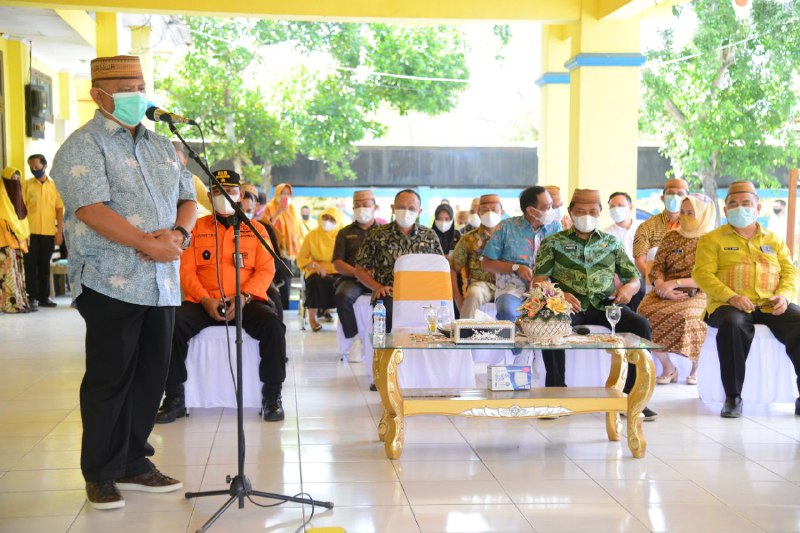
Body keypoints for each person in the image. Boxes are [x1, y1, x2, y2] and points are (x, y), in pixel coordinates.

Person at [50, 55, 196, 510]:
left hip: (163, 283)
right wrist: (146, 243)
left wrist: (178, 234)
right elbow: (90, 209)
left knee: (151, 377)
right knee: (110, 379)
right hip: (110, 281)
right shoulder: (83, 145)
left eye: (142, 84)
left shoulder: (160, 145)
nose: (139, 93)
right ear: (99, 94)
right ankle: (101, 472)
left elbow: (188, 197)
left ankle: (135, 462)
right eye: (127, 86)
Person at [156, 169, 286, 423]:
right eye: (217, 191)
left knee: (273, 326)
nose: (224, 196)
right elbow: (186, 269)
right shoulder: (194, 229)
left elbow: (265, 270)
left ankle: (272, 397)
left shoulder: (256, 229)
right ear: (208, 195)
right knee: (171, 325)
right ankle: (174, 398)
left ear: (239, 195)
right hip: (204, 301)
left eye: (231, 191)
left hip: (246, 301)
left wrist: (245, 296)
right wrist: (205, 299)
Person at [532, 189, 651, 403]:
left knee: (640, 325)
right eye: (580, 211)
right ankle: (556, 393)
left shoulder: (611, 243)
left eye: (592, 211)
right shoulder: (552, 242)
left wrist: (628, 289)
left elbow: (634, 278)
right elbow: (539, 282)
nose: (586, 216)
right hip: (566, 306)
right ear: (570, 211)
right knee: (549, 322)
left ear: (599, 213)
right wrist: (561, 294)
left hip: (605, 305)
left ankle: (632, 395)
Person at [694, 181, 800, 418]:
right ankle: (733, 397)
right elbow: (702, 274)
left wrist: (784, 296)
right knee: (732, 325)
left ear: (758, 208)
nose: (739, 208)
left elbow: (790, 272)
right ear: (725, 210)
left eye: (746, 203)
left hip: (770, 304)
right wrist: (731, 297)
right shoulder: (712, 239)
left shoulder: (773, 240)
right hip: (728, 304)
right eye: (733, 204)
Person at [637, 194, 715, 386]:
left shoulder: (712, 241)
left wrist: (675, 283)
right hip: (665, 290)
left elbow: (711, 277)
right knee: (644, 314)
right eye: (683, 212)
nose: (685, 217)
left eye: (691, 213)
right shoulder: (672, 236)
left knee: (689, 316)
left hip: (699, 291)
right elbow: (657, 268)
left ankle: (696, 367)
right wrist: (661, 286)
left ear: (704, 215)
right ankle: (668, 367)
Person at [354, 189, 443, 332]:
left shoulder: (429, 236)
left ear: (419, 212)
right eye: (401, 207)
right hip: (389, 293)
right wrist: (377, 287)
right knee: (385, 314)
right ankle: (385, 353)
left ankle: (420, 353)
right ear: (393, 208)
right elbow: (359, 270)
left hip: (422, 293)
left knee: (436, 320)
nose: (406, 211)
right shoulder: (377, 234)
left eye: (411, 208)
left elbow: (440, 269)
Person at [481, 185, 561, 324]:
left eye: (551, 206)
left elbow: (561, 262)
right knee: (508, 310)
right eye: (546, 207)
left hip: (546, 290)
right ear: (531, 210)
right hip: (511, 289)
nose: (551, 211)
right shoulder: (506, 227)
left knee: (556, 315)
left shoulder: (555, 228)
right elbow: (486, 264)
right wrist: (516, 267)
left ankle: (544, 345)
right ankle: (516, 346)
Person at [333, 190, 379, 345]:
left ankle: (383, 340)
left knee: (390, 299)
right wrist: (359, 274)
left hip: (378, 280)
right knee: (342, 296)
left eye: (365, 205)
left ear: (375, 207)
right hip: (352, 278)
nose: (361, 208)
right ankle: (352, 338)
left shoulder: (384, 232)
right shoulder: (344, 233)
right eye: (357, 205)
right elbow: (338, 263)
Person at [450, 194, 502, 318]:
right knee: (473, 294)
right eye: (485, 210)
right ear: (478, 213)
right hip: (480, 284)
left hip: (507, 283)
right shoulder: (468, 239)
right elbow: (453, 267)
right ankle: (464, 331)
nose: (490, 214)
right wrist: (458, 299)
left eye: (494, 210)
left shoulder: (510, 237)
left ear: (502, 212)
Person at [22, 154, 64, 308]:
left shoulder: (55, 187)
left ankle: (44, 297)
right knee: (30, 265)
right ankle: (31, 297)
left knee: (44, 266)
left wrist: (59, 232)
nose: (34, 169)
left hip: (48, 233)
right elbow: (21, 210)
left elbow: (59, 210)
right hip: (30, 233)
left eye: (36, 166)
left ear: (45, 166)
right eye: (31, 167)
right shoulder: (26, 185)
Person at [633, 178, 689, 290]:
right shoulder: (647, 227)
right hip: (654, 286)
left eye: (680, 194)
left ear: (687, 200)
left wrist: (678, 284)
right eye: (670, 193)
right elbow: (640, 261)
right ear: (662, 198)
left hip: (687, 286)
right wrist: (659, 283)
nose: (675, 197)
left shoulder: (694, 226)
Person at [240, 183, 284, 322]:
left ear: (255, 209)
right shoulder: (225, 228)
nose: (245, 213)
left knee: (274, 297)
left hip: (259, 276)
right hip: (232, 277)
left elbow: (274, 259)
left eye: (249, 210)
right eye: (241, 209)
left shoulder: (264, 229)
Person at [297, 207, 342, 331]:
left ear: (337, 220)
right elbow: (301, 258)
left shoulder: (341, 235)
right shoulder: (312, 235)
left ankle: (334, 315)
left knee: (343, 284)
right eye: (325, 217)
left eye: (331, 219)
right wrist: (314, 265)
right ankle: (312, 319)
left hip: (337, 270)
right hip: (316, 269)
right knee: (315, 282)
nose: (327, 221)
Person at [261, 183, 302, 309]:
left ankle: (285, 309)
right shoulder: (270, 208)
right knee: (275, 283)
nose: (285, 196)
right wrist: (278, 212)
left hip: (287, 254)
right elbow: (265, 227)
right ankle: (275, 309)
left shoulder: (292, 210)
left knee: (286, 284)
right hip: (273, 252)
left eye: (288, 194)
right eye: (283, 193)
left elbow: (296, 230)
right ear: (277, 194)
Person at [1, 166, 34, 313]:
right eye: (12, 179)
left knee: (16, 276)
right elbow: (7, 221)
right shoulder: (2, 196)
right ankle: (9, 305)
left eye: (17, 179)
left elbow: (22, 220)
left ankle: (18, 302)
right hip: (4, 244)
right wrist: (18, 234)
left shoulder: (17, 199)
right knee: (7, 278)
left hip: (17, 243)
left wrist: (22, 236)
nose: (15, 182)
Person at [605, 192, 644, 310]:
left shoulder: (643, 229)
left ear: (630, 207)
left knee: (639, 289)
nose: (616, 209)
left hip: (642, 277)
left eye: (620, 205)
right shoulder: (606, 235)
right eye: (612, 206)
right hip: (618, 279)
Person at [172, 142, 212, 217]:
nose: (174, 163)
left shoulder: (193, 180)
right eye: (170, 159)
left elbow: (211, 205)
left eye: (178, 159)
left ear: (185, 161)